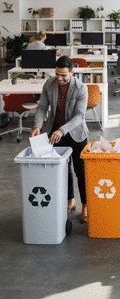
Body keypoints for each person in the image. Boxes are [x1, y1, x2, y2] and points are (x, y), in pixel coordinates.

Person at [30, 56, 89, 222]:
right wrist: (37, 126)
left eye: (64, 75)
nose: (60, 79)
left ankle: (86, 205)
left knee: (80, 170)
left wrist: (62, 130)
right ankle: (70, 200)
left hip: (76, 133)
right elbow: (42, 107)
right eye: (57, 74)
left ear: (72, 72)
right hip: (55, 132)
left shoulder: (81, 88)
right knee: (63, 169)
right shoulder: (49, 84)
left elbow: (79, 116)